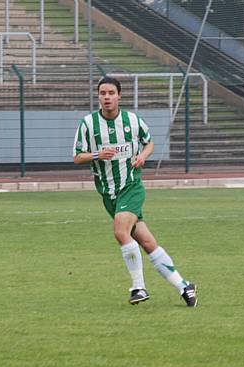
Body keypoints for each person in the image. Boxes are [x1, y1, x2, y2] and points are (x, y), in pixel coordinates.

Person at [73, 77, 197, 307]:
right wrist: (98, 155)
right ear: (98, 96)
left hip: (131, 186)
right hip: (108, 193)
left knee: (121, 232)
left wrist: (143, 156)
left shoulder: (132, 120)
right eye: (102, 93)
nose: (107, 97)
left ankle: (138, 287)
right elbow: (77, 156)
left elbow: (148, 142)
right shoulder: (88, 124)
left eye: (111, 92)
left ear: (119, 95)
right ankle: (184, 286)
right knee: (148, 242)